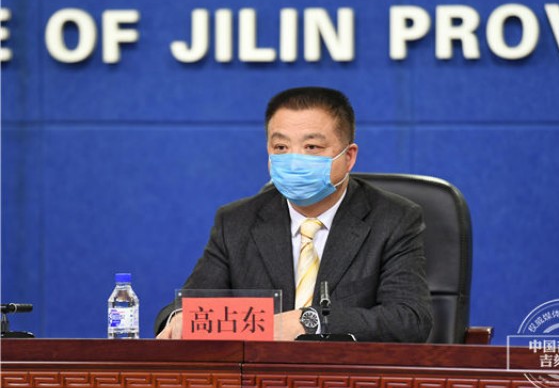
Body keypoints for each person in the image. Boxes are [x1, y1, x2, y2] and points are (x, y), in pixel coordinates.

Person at [155, 86, 433, 342]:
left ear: (348, 157)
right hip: (261, 376)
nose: (294, 160)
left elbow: (409, 320)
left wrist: (308, 321)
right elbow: (183, 309)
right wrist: (180, 319)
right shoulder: (236, 222)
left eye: (312, 147)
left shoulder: (394, 220)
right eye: (281, 148)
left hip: (350, 376)